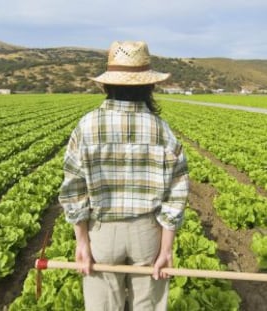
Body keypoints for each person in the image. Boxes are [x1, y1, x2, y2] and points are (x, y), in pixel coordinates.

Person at [58, 41, 189, 310]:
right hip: (147, 233)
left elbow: (73, 188)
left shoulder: (87, 125)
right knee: (147, 305)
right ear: (150, 85)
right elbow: (177, 193)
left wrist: (82, 241)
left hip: (102, 232)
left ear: (106, 85)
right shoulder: (162, 130)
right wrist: (166, 249)